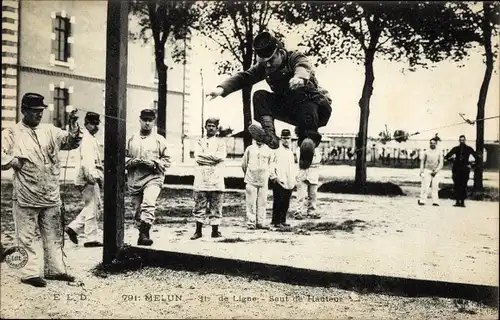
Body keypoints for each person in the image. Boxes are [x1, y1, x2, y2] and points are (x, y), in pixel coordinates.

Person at [206, 31, 332, 170]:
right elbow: (244, 77)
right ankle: (270, 135)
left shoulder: (294, 57)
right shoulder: (265, 67)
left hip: (316, 108)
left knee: (303, 98)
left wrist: (299, 78)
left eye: (271, 60)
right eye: (264, 62)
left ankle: (307, 146)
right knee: (259, 95)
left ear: (280, 52)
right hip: (289, 109)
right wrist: (221, 89)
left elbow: (303, 66)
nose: (268, 66)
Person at [1, 92, 82, 287]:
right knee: (26, 236)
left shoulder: (50, 130)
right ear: (24, 111)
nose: (39, 115)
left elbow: (70, 142)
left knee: (54, 234)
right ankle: (29, 274)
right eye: (35, 111)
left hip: (51, 193)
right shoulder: (11, 132)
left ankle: (55, 270)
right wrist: (14, 162)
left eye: (41, 111)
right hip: (25, 194)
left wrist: (73, 127)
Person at [126, 109, 170, 246]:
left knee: (148, 203)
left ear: (153, 122)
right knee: (138, 208)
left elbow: (167, 160)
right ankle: (141, 233)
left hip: (153, 177)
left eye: (150, 120)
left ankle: (145, 233)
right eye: (144, 120)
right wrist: (131, 162)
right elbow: (122, 157)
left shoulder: (159, 140)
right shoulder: (132, 138)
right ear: (140, 120)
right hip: (135, 178)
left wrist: (155, 163)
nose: (147, 123)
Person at [65, 112, 104, 247]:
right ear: (86, 123)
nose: (96, 126)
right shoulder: (86, 138)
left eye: (97, 124)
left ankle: (73, 227)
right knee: (93, 206)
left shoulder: (89, 137)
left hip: (87, 176)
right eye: (93, 123)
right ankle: (91, 238)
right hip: (88, 176)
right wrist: (92, 177)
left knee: (92, 206)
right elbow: (87, 161)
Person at [190, 118, 227, 240]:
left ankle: (215, 231)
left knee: (216, 205)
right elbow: (198, 157)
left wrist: (208, 157)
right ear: (205, 127)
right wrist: (213, 158)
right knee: (200, 205)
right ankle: (198, 231)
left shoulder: (221, 143)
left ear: (217, 128)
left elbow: (221, 156)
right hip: (202, 178)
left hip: (216, 178)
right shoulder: (199, 142)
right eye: (209, 125)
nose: (211, 128)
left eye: (213, 126)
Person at [269, 129, 298, 231]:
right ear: (281, 139)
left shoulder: (290, 153)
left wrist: (294, 179)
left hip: (289, 181)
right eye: (284, 138)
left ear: (290, 139)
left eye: (288, 138)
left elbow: (292, 167)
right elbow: (271, 165)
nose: (286, 140)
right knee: (278, 201)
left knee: (286, 202)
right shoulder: (276, 151)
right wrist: (273, 177)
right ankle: (276, 222)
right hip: (279, 180)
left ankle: (283, 220)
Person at [242, 140, 273, 229]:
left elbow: (270, 164)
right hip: (251, 179)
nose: (259, 139)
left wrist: (267, 174)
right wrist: (248, 173)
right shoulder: (250, 149)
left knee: (262, 202)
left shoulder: (268, 149)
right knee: (251, 202)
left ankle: (261, 222)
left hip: (263, 180)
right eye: (257, 137)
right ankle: (251, 222)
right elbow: (244, 164)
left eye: (261, 137)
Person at [444, 135, 478, 207]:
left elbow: (477, 158)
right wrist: (452, 161)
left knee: (463, 185)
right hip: (456, 170)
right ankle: (457, 202)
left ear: (465, 140)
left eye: (463, 140)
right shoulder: (456, 149)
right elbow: (446, 156)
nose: (462, 141)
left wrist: (471, 165)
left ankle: (462, 202)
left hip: (465, 170)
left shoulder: (469, 149)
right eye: (460, 140)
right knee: (456, 185)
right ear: (459, 141)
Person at [295, 147, 322, 219]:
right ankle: (299, 211)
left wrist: (312, 162)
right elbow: (301, 160)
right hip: (303, 172)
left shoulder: (316, 149)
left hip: (314, 173)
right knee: (301, 195)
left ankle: (311, 211)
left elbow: (318, 161)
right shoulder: (300, 148)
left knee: (313, 194)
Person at [418, 138, 443, 206]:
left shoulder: (439, 152)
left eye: (434, 143)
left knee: (435, 187)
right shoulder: (426, 151)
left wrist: (436, 171)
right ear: (429, 143)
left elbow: (441, 164)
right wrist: (421, 171)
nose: (432, 144)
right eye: (431, 143)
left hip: (435, 171)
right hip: (427, 170)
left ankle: (435, 201)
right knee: (425, 186)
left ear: (436, 144)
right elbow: (422, 162)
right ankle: (422, 200)